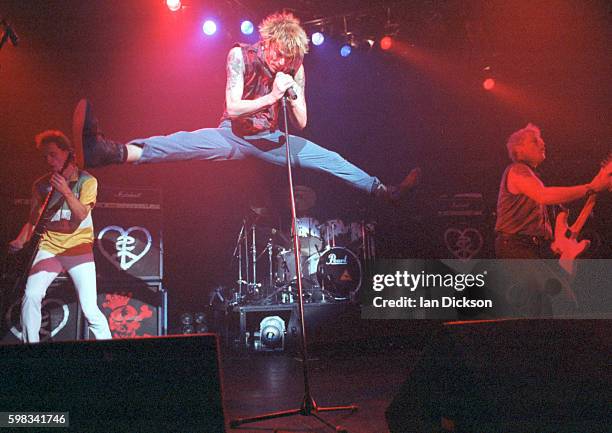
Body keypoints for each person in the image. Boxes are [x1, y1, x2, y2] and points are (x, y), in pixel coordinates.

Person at [72, 12, 420, 201]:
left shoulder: (295, 66)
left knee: (329, 158)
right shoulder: (240, 55)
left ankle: (382, 190)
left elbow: (301, 123)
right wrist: (271, 97)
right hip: (234, 134)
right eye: (279, 54)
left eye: (290, 58)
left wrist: (292, 93)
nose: (283, 61)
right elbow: (234, 107)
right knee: (178, 144)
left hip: (272, 140)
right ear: (267, 43)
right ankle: (107, 152)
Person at [9, 130, 111, 343]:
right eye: (45, 156)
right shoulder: (40, 185)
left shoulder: (87, 181)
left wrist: (65, 191)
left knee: (89, 308)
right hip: (49, 247)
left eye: (53, 154)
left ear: (67, 154)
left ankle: (110, 350)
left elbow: (82, 214)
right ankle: (32, 350)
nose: (49, 160)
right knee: (31, 296)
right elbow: (33, 221)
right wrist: (21, 240)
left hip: (78, 248)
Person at [495, 123, 609, 259]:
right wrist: (590, 188)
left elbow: (557, 208)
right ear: (519, 149)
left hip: (536, 247)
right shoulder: (517, 169)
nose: (542, 143)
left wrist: (560, 230)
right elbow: (543, 195)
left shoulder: (534, 177)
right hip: (517, 246)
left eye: (541, 139)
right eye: (535, 140)